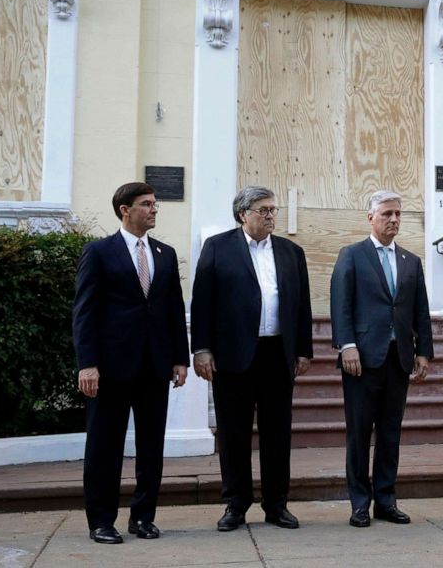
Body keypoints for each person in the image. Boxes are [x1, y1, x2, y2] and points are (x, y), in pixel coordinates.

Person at [191, 186, 313, 532]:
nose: (271, 215)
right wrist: (201, 349)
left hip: (277, 353)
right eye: (263, 210)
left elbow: (301, 305)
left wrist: (303, 349)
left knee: (278, 433)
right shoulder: (218, 248)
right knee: (234, 433)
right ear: (243, 214)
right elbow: (202, 302)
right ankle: (235, 504)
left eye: (273, 209)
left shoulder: (291, 252)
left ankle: (277, 504)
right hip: (233, 355)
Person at [73, 182, 189, 544]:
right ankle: (101, 521)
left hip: (155, 366)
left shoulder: (165, 253)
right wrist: (87, 363)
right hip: (110, 368)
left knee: (152, 447)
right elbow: (85, 313)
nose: (154, 210)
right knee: (104, 446)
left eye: (155, 204)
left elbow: (173, 309)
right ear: (125, 210)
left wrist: (179, 359)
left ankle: (143, 517)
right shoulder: (99, 252)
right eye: (146, 205)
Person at [329, 190, 433, 528]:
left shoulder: (410, 261)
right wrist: (346, 345)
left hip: (398, 359)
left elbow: (421, 311)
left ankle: (386, 501)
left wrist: (423, 353)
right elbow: (341, 303)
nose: (394, 220)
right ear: (370, 217)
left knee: (390, 433)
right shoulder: (352, 255)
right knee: (359, 433)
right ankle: (360, 503)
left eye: (398, 214)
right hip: (361, 359)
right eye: (387, 214)